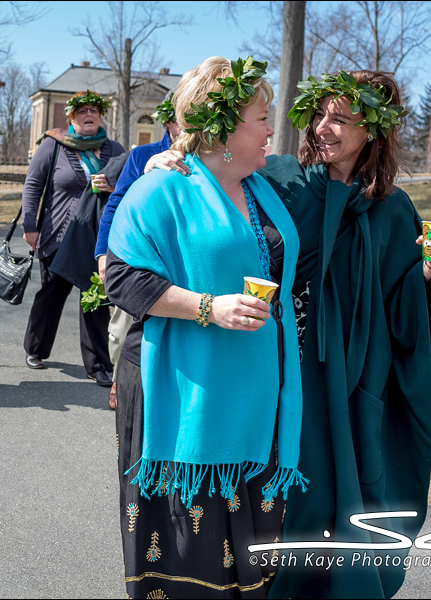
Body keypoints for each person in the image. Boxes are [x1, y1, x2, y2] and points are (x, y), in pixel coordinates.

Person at [146, 70, 431, 599]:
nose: (323, 128)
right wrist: (169, 163)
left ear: (372, 132)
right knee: (272, 498)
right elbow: (212, 188)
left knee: (339, 496)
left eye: (340, 119)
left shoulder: (394, 209)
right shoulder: (279, 178)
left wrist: (426, 275)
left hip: (350, 380)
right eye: (318, 115)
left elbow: (401, 312)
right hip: (273, 365)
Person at [104, 56, 306, 598]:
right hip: (183, 394)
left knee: (252, 552)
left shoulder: (267, 187)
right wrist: (206, 307)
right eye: (261, 117)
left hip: (259, 394)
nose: (271, 128)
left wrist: (424, 265)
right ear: (222, 128)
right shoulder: (160, 189)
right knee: (186, 549)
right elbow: (119, 279)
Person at [20, 89, 125, 387]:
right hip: (57, 236)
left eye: (93, 110)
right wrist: (30, 226)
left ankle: (98, 364)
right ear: (71, 117)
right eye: (82, 111)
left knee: (94, 300)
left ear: (101, 115)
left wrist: (110, 185)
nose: (88, 115)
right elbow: (32, 187)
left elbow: (128, 187)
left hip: (97, 238)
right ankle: (36, 348)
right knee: (52, 294)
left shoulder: (114, 150)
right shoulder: (52, 145)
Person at [94, 89, 181, 409]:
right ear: (169, 121)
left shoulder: (206, 158)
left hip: (176, 260)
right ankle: (121, 378)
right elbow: (116, 204)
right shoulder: (142, 155)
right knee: (121, 328)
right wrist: (103, 251)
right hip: (138, 255)